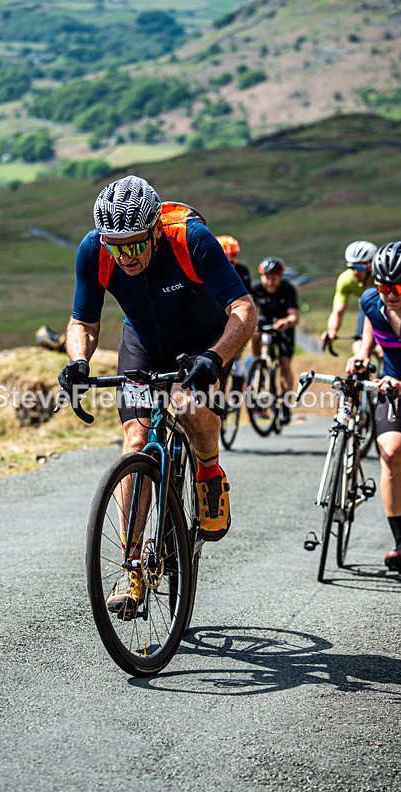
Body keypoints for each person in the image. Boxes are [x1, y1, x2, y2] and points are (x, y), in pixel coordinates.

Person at [58, 175, 257, 614]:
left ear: (154, 231)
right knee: (134, 440)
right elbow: (83, 322)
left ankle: (207, 471)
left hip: (202, 342)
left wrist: (216, 358)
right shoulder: (96, 250)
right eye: (115, 246)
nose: (124, 256)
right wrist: (78, 362)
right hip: (143, 344)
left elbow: (244, 309)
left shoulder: (191, 238)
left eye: (133, 245)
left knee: (188, 404)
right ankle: (132, 570)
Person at [346, 241, 401, 575]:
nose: (389, 295)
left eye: (397, 288)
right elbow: (370, 324)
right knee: (391, 454)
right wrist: (362, 354)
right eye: (383, 286)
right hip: (394, 390)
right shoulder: (371, 300)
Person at [250, 256, 299, 423]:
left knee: (285, 364)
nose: (270, 282)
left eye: (274, 278)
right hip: (263, 325)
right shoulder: (256, 288)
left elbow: (294, 316)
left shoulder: (288, 289)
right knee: (255, 335)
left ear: (280, 277)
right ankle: (258, 364)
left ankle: (285, 405)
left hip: (283, 328)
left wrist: (286, 322)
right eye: (266, 278)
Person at [322, 240, 378, 354]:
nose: (355, 272)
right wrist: (331, 330)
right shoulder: (346, 279)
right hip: (367, 307)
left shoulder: (381, 279)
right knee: (358, 347)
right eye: (351, 267)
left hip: (387, 308)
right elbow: (338, 311)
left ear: (371, 267)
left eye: (359, 268)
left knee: (383, 350)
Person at [216, 235, 253, 394]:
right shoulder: (209, 268)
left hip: (234, 312)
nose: (231, 262)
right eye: (226, 258)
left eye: (234, 258)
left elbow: (248, 297)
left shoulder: (242, 271)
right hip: (216, 314)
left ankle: (238, 377)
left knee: (235, 346)